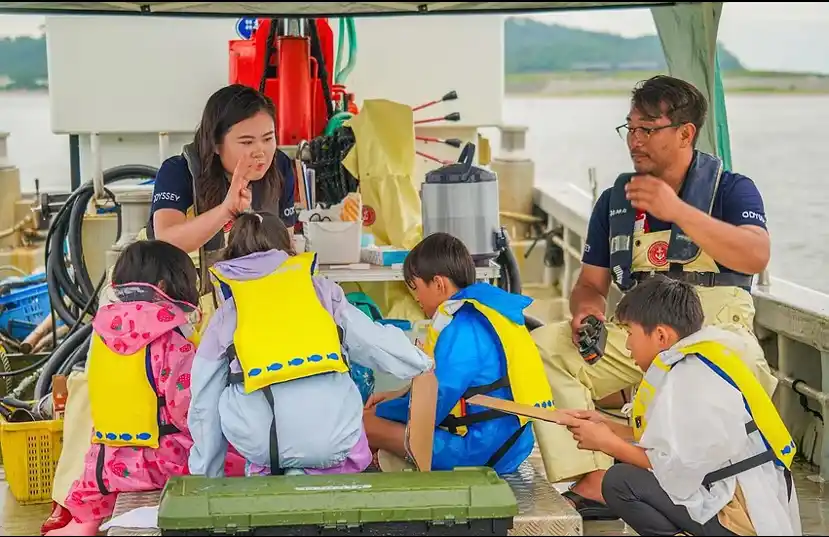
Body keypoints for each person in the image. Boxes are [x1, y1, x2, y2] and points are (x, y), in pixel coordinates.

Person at [529, 74, 777, 519]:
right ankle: (590, 478)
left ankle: (712, 487)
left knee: (714, 369)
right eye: (630, 128)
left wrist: (676, 210)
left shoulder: (734, 190)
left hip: (715, 328)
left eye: (648, 129)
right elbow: (590, 284)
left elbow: (756, 254)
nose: (635, 140)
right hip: (640, 328)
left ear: (685, 133)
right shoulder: (614, 203)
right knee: (547, 346)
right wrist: (586, 316)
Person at [187, 212, 432, 477]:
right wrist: (424, 363)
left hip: (264, 446)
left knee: (228, 393)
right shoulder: (321, 292)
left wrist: (206, 476)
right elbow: (375, 342)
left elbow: (204, 399)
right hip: (332, 440)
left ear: (233, 255)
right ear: (287, 246)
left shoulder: (228, 312)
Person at [556, 276, 801, 536]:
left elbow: (676, 470)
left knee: (619, 481)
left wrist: (607, 443)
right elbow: (676, 443)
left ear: (660, 335)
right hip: (751, 501)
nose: (627, 345)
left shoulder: (687, 375)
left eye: (630, 333)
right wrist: (606, 426)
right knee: (625, 467)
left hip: (741, 519)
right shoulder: (698, 359)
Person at [46, 241, 204, 536]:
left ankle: (79, 527)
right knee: (235, 457)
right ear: (165, 285)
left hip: (105, 463)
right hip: (165, 461)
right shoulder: (173, 341)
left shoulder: (101, 333)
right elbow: (189, 413)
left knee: (85, 518)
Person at [364, 232, 554, 475]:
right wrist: (396, 396)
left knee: (364, 425)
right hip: (511, 446)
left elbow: (434, 404)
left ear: (439, 284)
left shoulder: (462, 328)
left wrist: (380, 412)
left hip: (482, 451)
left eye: (416, 288)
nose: (416, 298)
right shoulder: (487, 313)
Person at [144, 83, 297, 299]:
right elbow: (166, 239)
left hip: (256, 297)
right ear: (215, 144)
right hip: (184, 299)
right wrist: (226, 210)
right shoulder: (178, 172)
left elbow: (286, 245)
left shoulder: (280, 167)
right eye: (247, 142)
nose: (260, 152)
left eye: (268, 139)